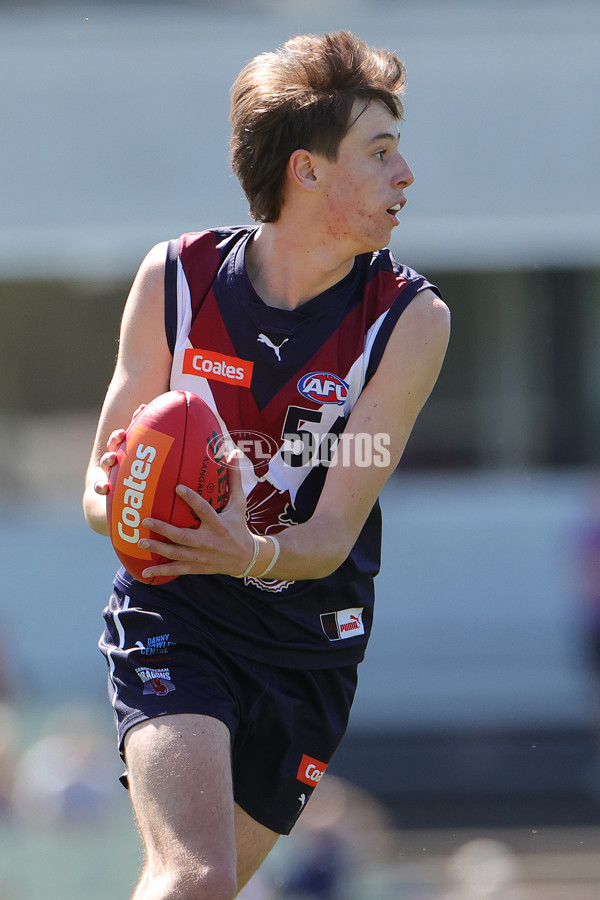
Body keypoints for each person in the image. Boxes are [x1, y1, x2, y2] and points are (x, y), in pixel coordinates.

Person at [83, 30, 450, 900]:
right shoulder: (176, 279)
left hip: (308, 647)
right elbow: (101, 492)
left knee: (204, 889)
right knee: (196, 878)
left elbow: (328, 534)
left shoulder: (408, 320)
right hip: (179, 610)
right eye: (381, 150)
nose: (407, 175)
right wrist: (145, 509)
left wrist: (243, 546)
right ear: (307, 169)